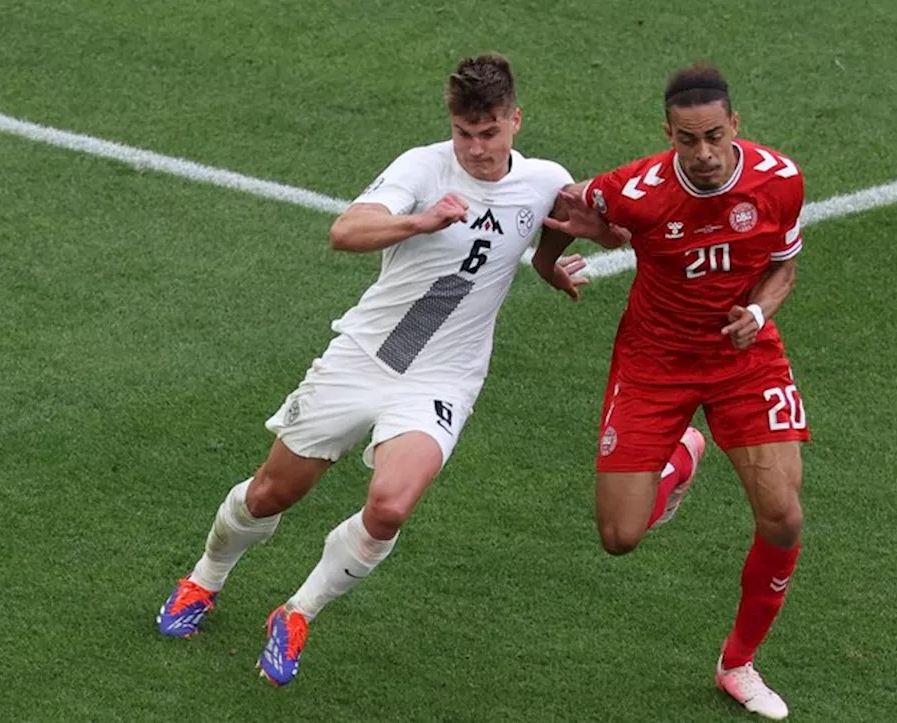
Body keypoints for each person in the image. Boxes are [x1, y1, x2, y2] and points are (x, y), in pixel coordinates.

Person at [155, 52, 591, 687]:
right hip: (364, 357)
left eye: (489, 132)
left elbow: (556, 225)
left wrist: (551, 267)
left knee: (388, 506)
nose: (475, 148)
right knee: (271, 493)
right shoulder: (422, 167)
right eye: (464, 133)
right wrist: (419, 220)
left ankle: (298, 612)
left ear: (515, 120)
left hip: (443, 378)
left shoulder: (546, 178)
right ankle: (204, 579)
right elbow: (346, 230)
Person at [536, 63, 809, 720]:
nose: (706, 154)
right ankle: (684, 452)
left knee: (784, 515)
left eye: (715, 136)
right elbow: (566, 207)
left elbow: (784, 264)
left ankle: (737, 662)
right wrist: (549, 268)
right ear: (669, 135)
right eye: (689, 140)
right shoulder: (634, 188)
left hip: (743, 356)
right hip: (655, 359)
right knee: (618, 535)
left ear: (735, 124)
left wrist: (761, 313)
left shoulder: (780, 180)